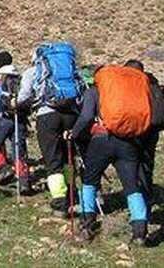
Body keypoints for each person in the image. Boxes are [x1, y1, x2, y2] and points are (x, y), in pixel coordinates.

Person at [68, 64, 151, 245]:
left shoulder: (94, 92)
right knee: (131, 185)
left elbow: (86, 117)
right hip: (128, 141)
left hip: (101, 141)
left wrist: (73, 133)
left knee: (89, 180)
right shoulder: (126, 95)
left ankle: (87, 223)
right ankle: (140, 231)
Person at [17, 43, 82, 218]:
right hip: (71, 115)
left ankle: (60, 200)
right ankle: (72, 192)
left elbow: (23, 97)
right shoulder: (70, 70)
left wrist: (19, 105)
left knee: (53, 159)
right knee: (69, 156)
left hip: (47, 116)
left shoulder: (32, 72)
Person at [0, 64, 32, 192]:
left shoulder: (0, 83)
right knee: (19, 151)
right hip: (21, 119)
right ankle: (24, 181)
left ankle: (4, 169)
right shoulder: (22, 83)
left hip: (4, 119)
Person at [124, 59, 161, 217]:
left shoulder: (129, 84)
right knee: (147, 164)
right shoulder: (152, 83)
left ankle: (138, 210)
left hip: (135, 130)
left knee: (132, 166)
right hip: (152, 130)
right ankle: (147, 198)